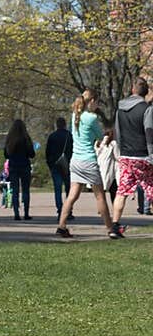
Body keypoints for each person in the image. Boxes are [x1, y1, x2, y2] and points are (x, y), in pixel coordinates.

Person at [56, 90, 119, 239]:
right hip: (89, 161)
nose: (97, 105)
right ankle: (111, 229)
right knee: (100, 196)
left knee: (72, 195)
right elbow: (99, 136)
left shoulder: (75, 115)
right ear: (91, 101)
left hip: (75, 161)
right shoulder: (92, 118)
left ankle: (61, 226)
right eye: (96, 102)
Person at [110, 77, 153, 233]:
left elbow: (118, 133)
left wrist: (122, 153)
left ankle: (114, 226)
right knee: (151, 188)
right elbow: (149, 132)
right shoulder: (146, 109)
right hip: (143, 156)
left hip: (127, 157)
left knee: (122, 191)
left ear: (132, 90)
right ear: (146, 92)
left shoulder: (120, 109)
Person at [4, 118, 35, 220]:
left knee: (15, 190)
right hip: (25, 165)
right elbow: (32, 154)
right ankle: (26, 213)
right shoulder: (26, 138)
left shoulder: (10, 140)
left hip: (13, 166)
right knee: (26, 190)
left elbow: (6, 154)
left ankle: (16, 213)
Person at [45, 116, 73, 219]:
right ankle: (68, 210)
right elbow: (72, 150)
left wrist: (50, 164)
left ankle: (60, 210)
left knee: (57, 189)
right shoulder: (69, 135)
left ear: (57, 125)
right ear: (65, 124)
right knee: (68, 189)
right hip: (67, 164)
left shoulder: (52, 136)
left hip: (55, 165)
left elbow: (47, 152)